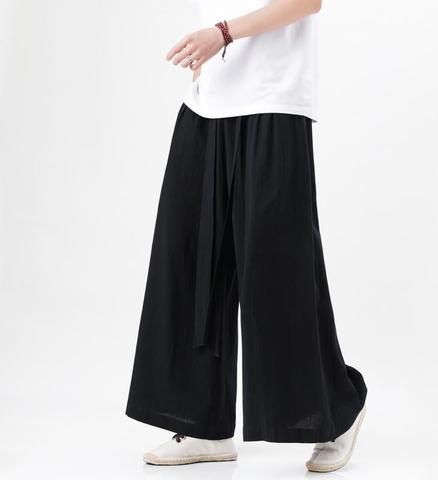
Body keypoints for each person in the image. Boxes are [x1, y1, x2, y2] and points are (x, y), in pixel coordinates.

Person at [125, 0, 368, 473]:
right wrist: (208, 60)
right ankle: (203, 424)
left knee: (277, 274)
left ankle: (338, 413)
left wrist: (222, 33)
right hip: (207, 105)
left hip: (273, 104)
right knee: (191, 260)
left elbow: (307, 2)